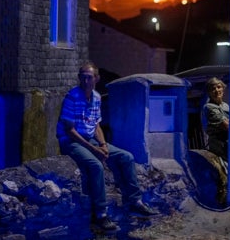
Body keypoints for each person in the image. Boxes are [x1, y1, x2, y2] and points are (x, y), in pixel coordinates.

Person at [57, 61, 158, 232]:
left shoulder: (96, 97)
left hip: (91, 139)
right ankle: (100, 215)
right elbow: (70, 130)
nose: (85, 81)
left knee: (127, 157)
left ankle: (135, 201)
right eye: (82, 77)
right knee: (96, 165)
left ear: (96, 79)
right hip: (71, 140)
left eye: (89, 77)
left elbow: (96, 126)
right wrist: (95, 150)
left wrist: (103, 145)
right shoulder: (72, 97)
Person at [203, 77, 230, 160]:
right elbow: (226, 126)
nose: (217, 90)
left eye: (219, 87)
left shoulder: (225, 105)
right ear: (209, 92)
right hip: (219, 146)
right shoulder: (209, 107)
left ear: (223, 88)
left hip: (229, 143)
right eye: (213, 89)